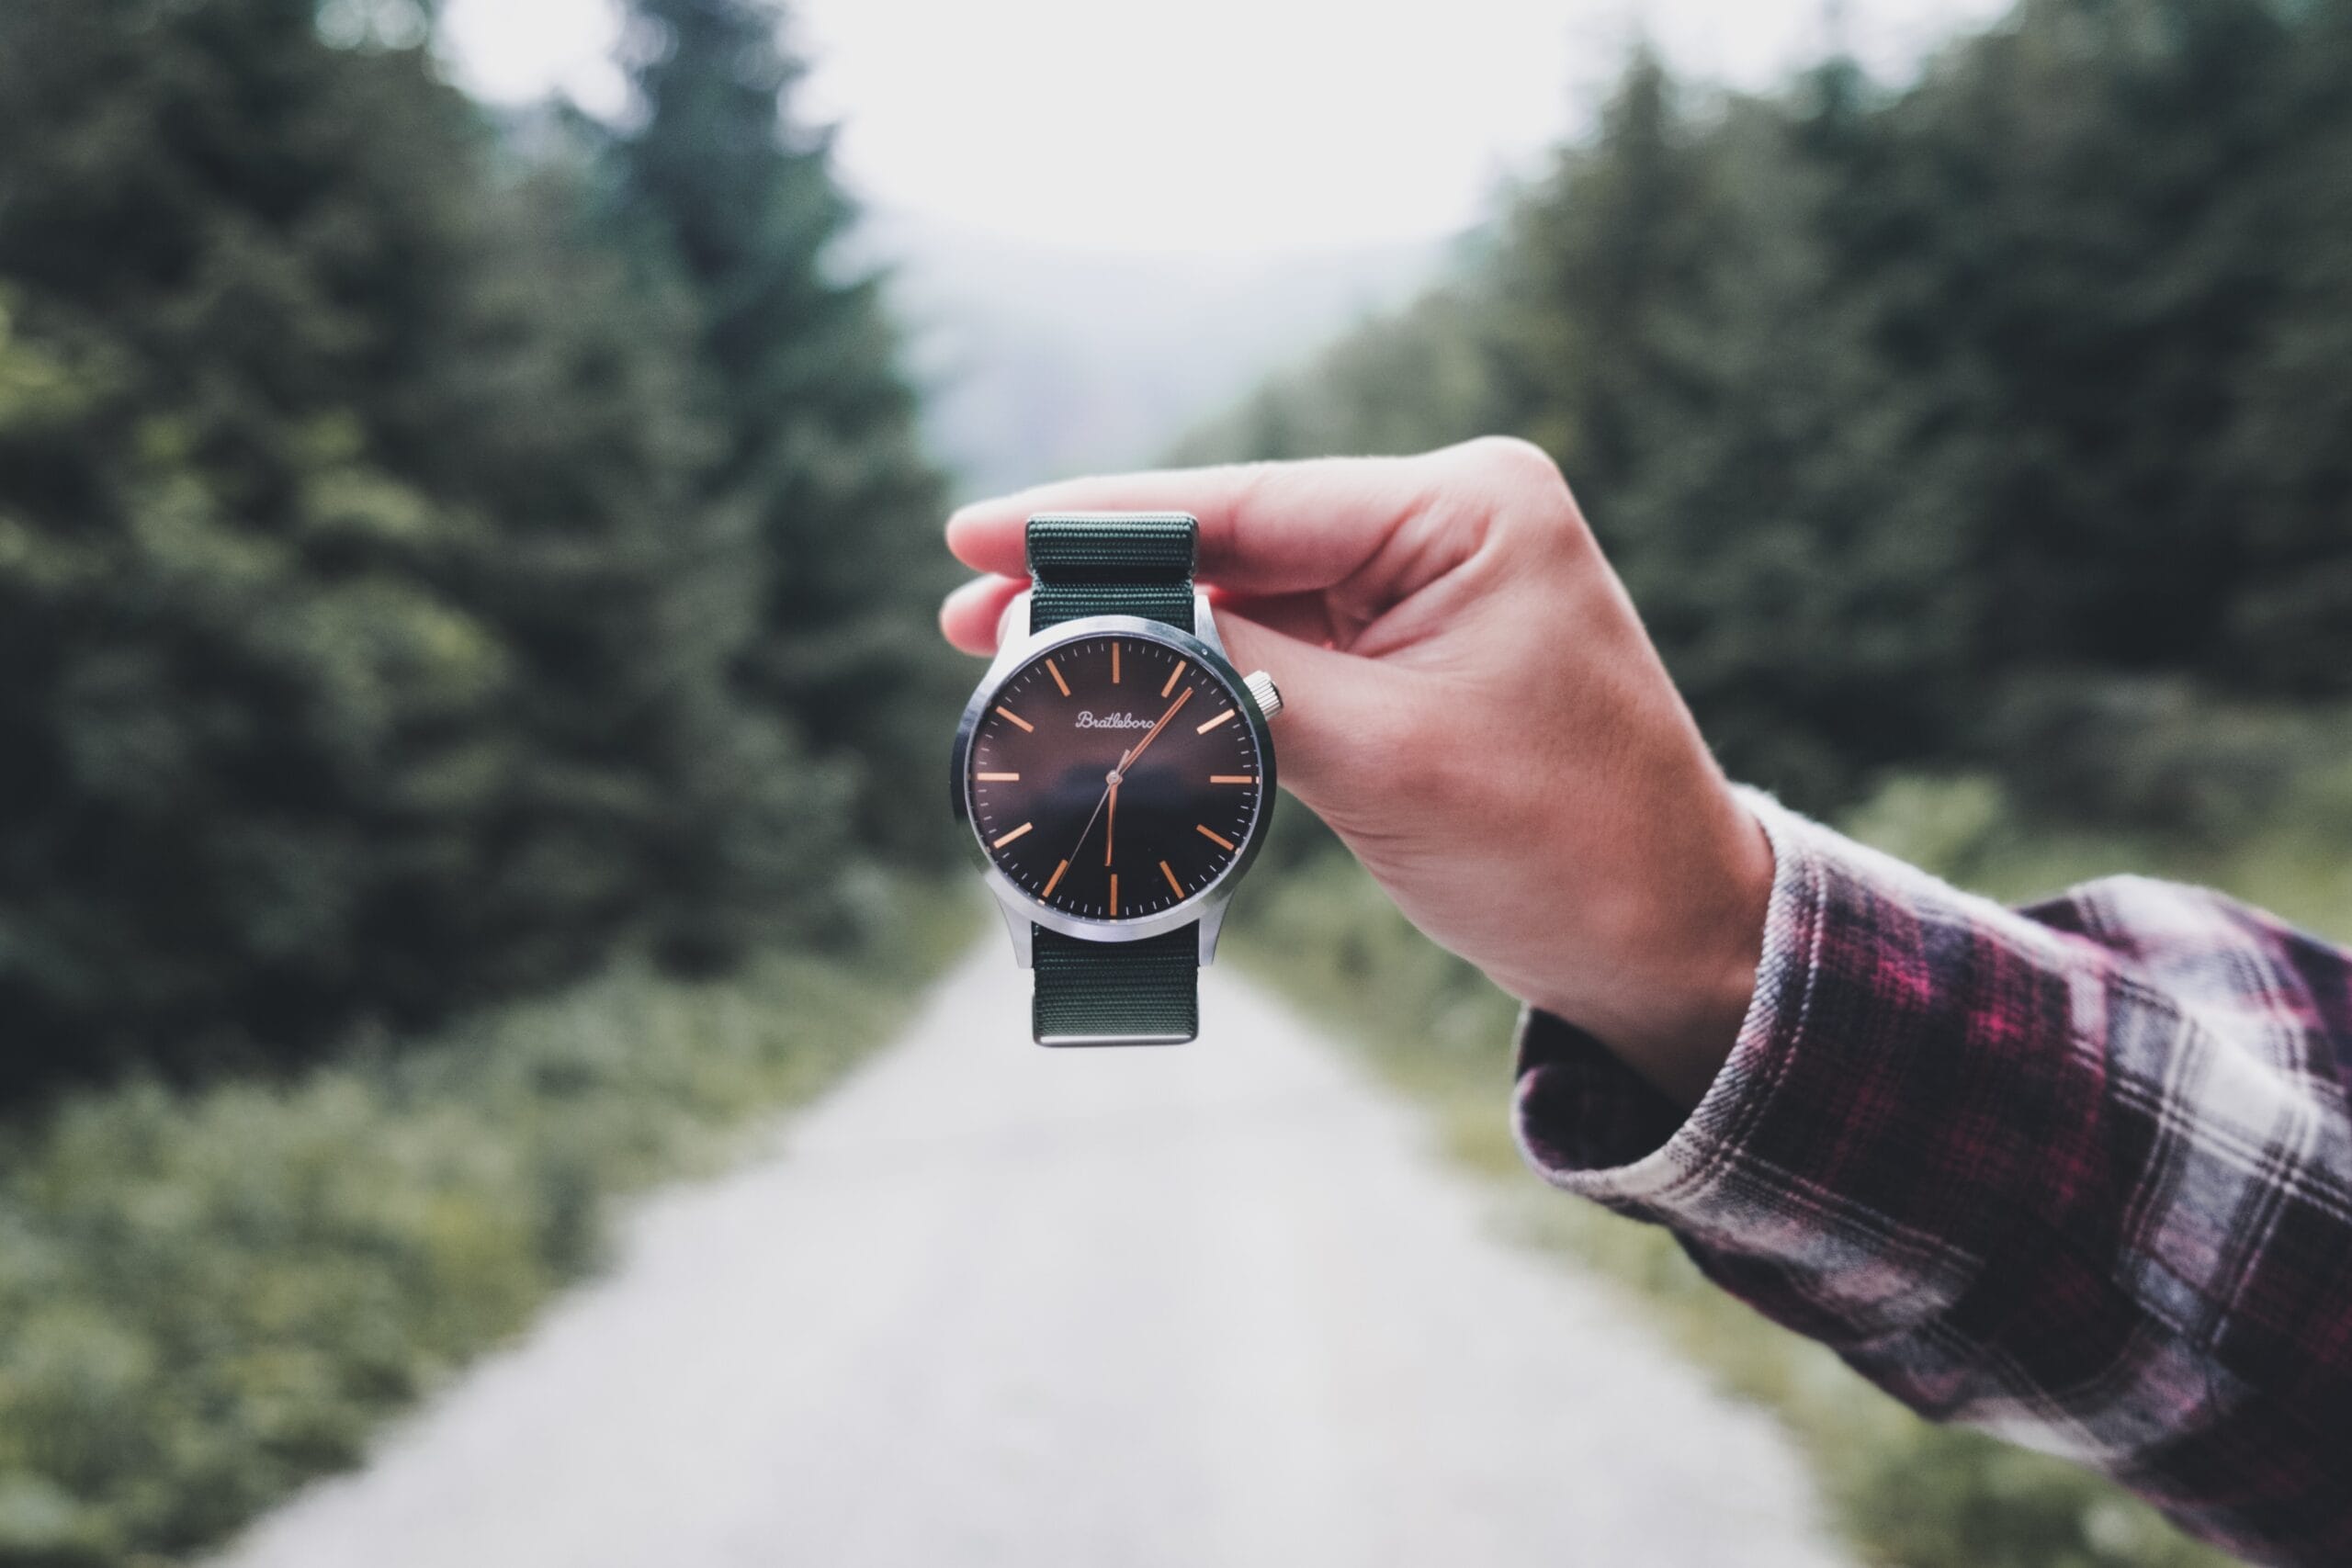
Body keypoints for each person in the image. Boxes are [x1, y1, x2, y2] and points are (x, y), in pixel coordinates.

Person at [939, 437, 2352, 1568]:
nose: (1116, 781)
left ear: (1247, 722)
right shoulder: (1180, 750)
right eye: (1090, 775)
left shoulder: (1152, 752)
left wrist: (1706, 945)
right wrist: (1719, 949)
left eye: (1163, 757)